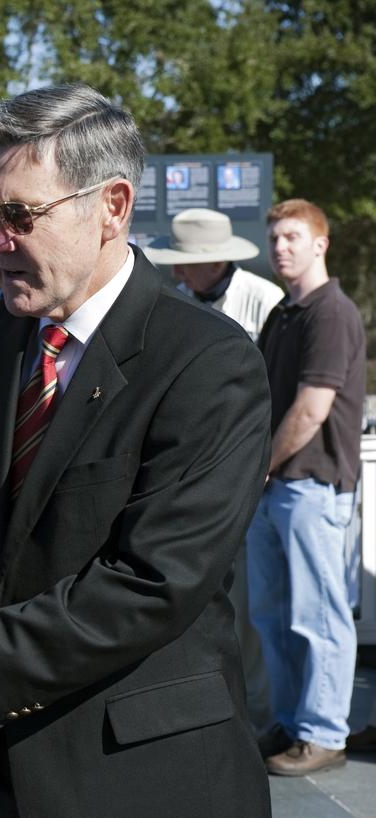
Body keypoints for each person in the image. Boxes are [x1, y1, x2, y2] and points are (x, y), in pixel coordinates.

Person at [0, 84, 272, 818]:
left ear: (112, 205)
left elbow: (148, 584)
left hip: (139, 792)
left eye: (19, 216)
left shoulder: (207, 361)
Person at [143, 206, 283, 739]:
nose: (178, 272)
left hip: (247, 470)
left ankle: (255, 710)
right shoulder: (180, 300)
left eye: (187, 263)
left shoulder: (265, 301)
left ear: (215, 260)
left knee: (251, 605)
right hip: (189, 470)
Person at [247, 198, 366, 777]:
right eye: (274, 238)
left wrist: (261, 466)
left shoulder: (331, 313)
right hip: (277, 489)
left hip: (313, 485)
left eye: (293, 237)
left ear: (321, 243)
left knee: (319, 617)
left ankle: (323, 734)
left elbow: (312, 408)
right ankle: (294, 725)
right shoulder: (284, 314)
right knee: (273, 617)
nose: (281, 248)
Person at [144, 207, 283, 342]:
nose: (175, 273)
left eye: (184, 265)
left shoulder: (265, 299)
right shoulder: (176, 300)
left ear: (217, 264)